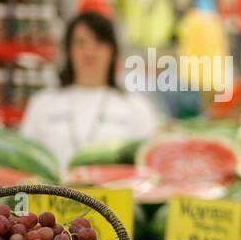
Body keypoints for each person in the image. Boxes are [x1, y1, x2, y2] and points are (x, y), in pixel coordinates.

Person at [19, 11, 162, 169]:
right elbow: (26, 160)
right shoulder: (43, 103)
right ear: (68, 50)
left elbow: (149, 166)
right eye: (81, 43)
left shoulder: (136, 106)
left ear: (112, 51)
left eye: (99, 43)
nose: (89, 51)